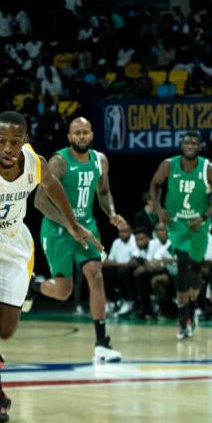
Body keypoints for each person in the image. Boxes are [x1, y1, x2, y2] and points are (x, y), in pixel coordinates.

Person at [0, 111, 100, 423]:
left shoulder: (35, 162)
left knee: (5, 330)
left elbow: (53, 188)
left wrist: (73, 225)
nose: (8, 148)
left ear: (25, 140)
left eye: (15, 141)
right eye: (2, 141)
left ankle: (24, 292)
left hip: (13, 237)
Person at [31, 117, 125, 362]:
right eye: (77, 133)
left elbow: (103, 192)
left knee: (96, 275)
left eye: (85, 132)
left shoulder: (100, 161)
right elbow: (40, 201)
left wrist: (112, 213)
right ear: (69, 137)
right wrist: (70, 225)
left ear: (91, 135)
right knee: (63, 292)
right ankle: (31, 288)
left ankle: (102, 343)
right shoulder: (59, 162)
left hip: (87, 226)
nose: (81, 137)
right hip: (58, 231)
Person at [149, 131, 212, 339]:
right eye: (186, 142)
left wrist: (204, 216)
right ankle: (183, 318)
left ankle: (191, 307)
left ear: (199, 147)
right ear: (181, 145)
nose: (189, 145)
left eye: (194, 142)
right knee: (182, 265)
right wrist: (158, 208)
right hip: (177, 223)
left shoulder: (209, 169)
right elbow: (155, 185)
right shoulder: (168, 165)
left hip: (198, 224)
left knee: (195, 271)